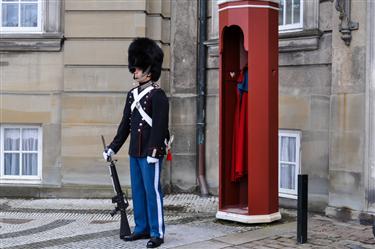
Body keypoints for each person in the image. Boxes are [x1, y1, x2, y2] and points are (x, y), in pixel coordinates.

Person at [103, 37, 169, 248]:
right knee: (138, 192)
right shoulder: (132, 95)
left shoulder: (158, 96)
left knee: (153, 192)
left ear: (149, 70)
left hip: (151, 153)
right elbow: (125, 126)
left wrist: (154, 150)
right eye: (135, 68)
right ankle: (141, 228)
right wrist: (113, 147)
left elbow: (160, 127)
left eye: (138, 68)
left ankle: (157, 232)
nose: (135, 72)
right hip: (135, 152)